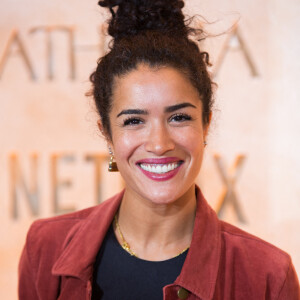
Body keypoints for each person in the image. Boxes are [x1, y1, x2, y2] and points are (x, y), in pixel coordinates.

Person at [18, 0, 300, 299]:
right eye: (134, 120)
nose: (159, 144)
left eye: (179, 117)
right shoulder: (45, 248)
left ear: (206, 124)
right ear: (107, 135)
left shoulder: (267, 275)